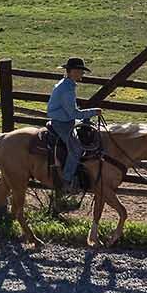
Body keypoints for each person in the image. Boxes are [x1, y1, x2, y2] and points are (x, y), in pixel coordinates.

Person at [47, 57, 97, 192]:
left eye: (81, 71)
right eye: (78, 71)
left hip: (64, 120)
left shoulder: (66, 84)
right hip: (62, 122)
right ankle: (66, 180)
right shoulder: (67, 89)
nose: (81, 73)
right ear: (70, 72)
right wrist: (92, 112)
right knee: (76, 149)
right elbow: (73, 113)